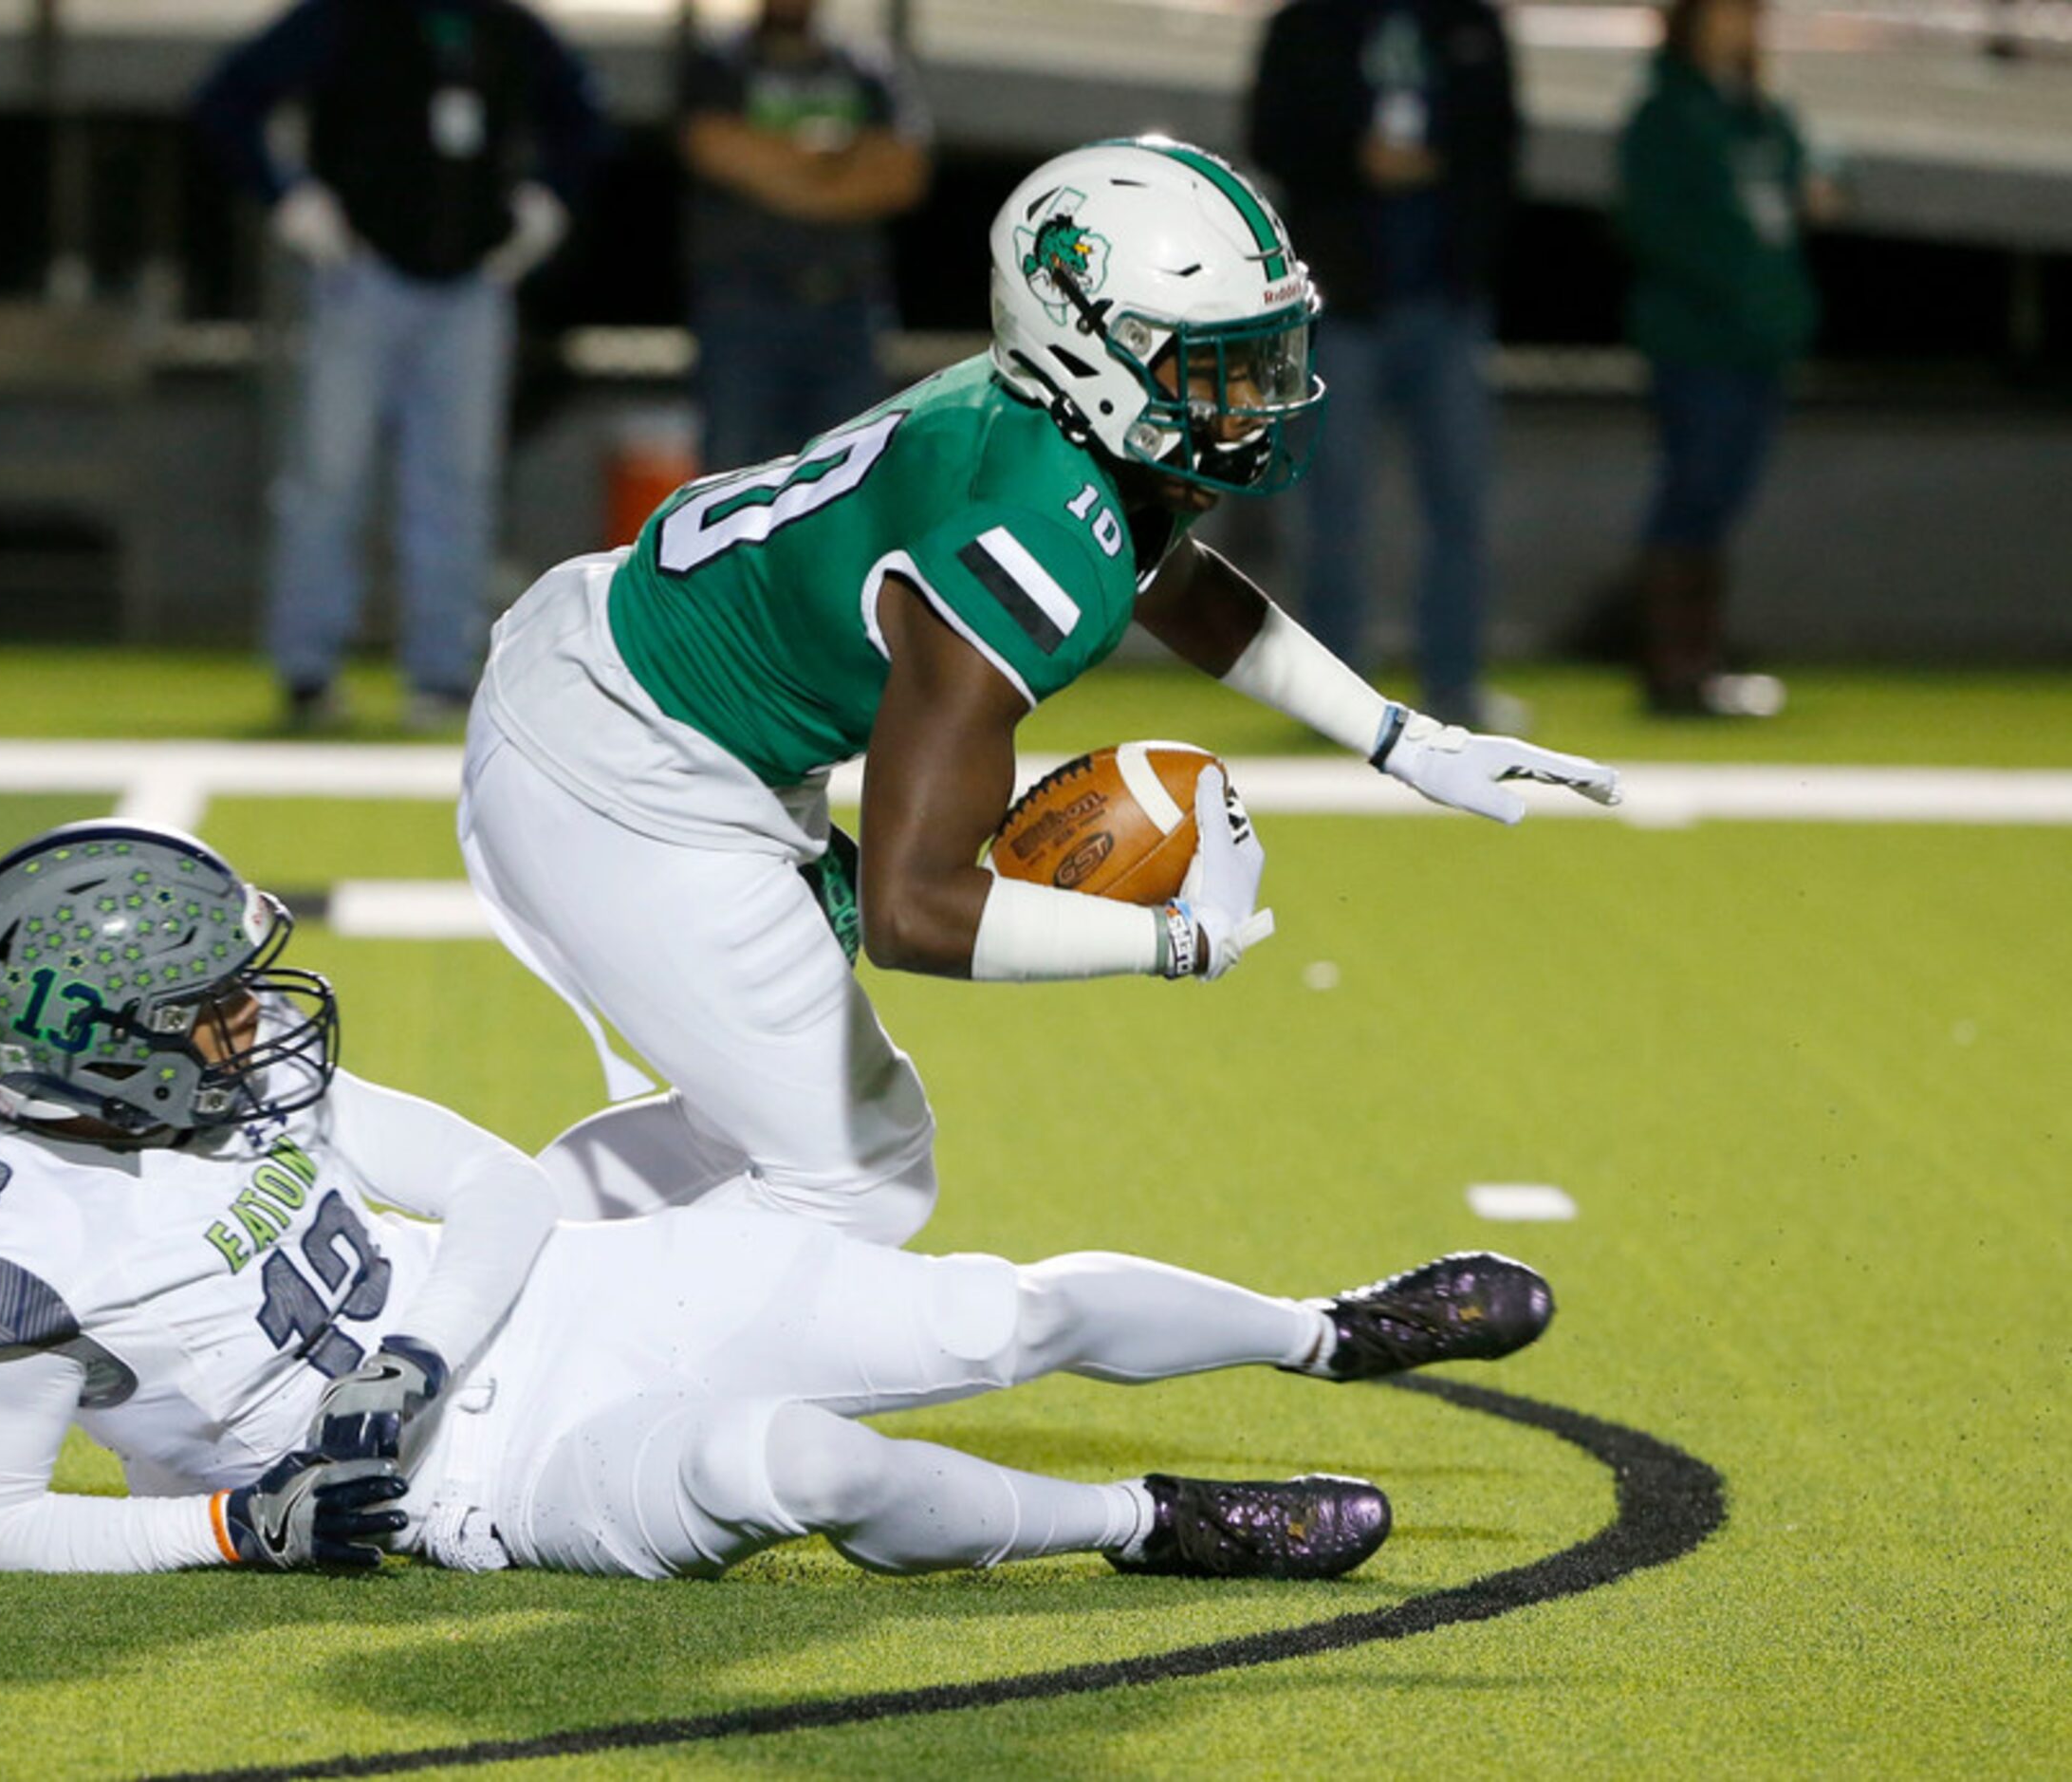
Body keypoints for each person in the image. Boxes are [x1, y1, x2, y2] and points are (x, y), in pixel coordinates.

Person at [459, 138, 1620, 1248]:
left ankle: (464, 1299)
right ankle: (509, 1367)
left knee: (797, 1124)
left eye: (1263, 355)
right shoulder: (1022, 537)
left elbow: (1166, 578)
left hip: (643, 688)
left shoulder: (1052, 423)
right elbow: (916, 913)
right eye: (1215, 361)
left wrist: (1399, 738)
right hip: (621, 766)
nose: (1253, 398)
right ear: (1087, 345)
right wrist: (1171, 940)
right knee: (857, 1179)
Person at [0, 820, 1558, 1579]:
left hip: (555, 1302)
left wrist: (406, 1352)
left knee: (1003, 1307)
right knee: (802, 1462)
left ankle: (1332, 1330)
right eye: (207, 1004)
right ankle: (1156, 1521)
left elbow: (489, 1184)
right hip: (484, 1481)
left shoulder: (243, 1070)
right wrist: (227, 1526)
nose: (252, 1015)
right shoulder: (11, 1251)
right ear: (98, 1050)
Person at [193, 0, 606, 733]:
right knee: (328, 474)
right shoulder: (345, 17)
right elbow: (226, 98)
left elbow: (584, 115)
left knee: (457, 483)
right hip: (361, 276)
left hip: (472, 284)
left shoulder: (504, 26)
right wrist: (288, 200)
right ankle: (308, 668)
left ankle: (441, 672)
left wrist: (547, 208)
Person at [1247, 0, 1518, 733]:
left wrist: (1467, 244)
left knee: (1460, 503)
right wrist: (1349, 158)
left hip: (1445, 301)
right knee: (1331, 507)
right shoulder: (1308, 23)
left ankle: (1454, 686)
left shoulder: (1468, 24)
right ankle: (1334, 700)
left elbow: (1500, 144)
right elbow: (1269, 134)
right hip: (1342, 301)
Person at [1614, 0, 1829, 717]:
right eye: (1724, 14)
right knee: (1693, 493)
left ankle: (1699, 663)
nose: (1739, 29)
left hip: (1757, 343)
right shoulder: (1664, 113)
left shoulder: (1759, 109)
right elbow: (1652, 223)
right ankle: (1674, 668)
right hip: (1696, 341)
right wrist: (1733, 286)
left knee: (1718, 499)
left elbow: (1809, 171)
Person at [679, 0, 932, 471]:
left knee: (851, 477)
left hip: (848, 312)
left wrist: (777, 169)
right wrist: (836, 170)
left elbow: (904, 175)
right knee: (732, 478)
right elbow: (713, 148)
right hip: (743, 310)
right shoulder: (721, 65)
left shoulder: (866, 67)